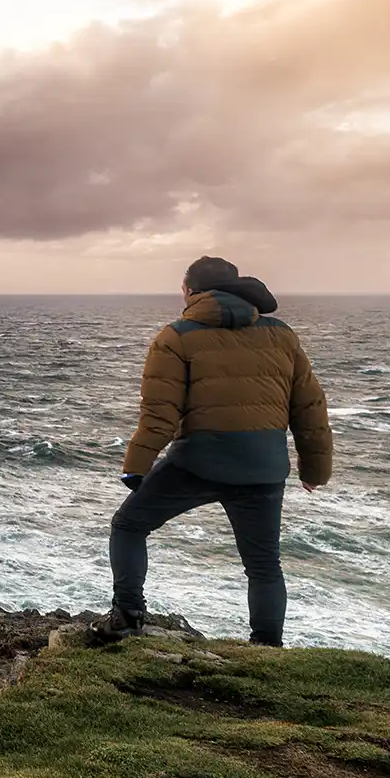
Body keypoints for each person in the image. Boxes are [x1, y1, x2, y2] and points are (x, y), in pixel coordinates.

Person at [102, 257, 334, 646]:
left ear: (190, 290)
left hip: (197, 463)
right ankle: (267, 648)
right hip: (263, 468)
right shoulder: (281, 334)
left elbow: (160, 414)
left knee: (128, 526)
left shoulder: (176, 336)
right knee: (264, 565)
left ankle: (127, 617)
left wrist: (136, 467)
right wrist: (315, 470)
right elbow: (310, 408)